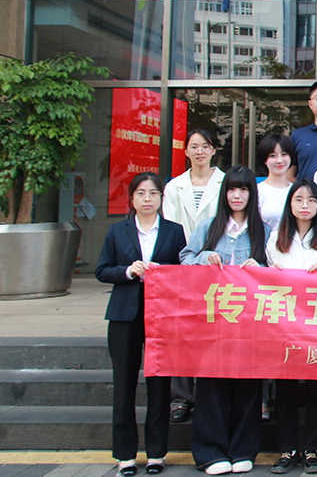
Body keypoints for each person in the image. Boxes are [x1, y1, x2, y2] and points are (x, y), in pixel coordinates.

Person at [181, 165, 270, 475]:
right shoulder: (208, 227)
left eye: (243, 189)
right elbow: (184, 258)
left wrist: (260, 268)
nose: (237, 195)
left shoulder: (263, 230)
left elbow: (277, 270)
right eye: (232, 189)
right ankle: (210, 452)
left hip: (249, 323)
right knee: (211, 385)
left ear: (251, 193)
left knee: (248, 386)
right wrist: (204, 257)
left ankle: (243, 450)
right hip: (213, 321)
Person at [96, 172, 186, 477]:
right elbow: (102, 270)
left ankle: (157, 454)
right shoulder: (117, 231)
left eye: (153, 193)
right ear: (132, 198)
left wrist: (165, 271)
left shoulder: (174, 231)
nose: (147, 199)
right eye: (141, 194)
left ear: (161, 198)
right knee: (123, 386)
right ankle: (125, 456)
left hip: (162, 316)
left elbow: (184, 271)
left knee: (159, 386)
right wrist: (127, 271)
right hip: (124, 315)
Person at [265, 179, 317, 476]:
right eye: (299, 199)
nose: (305, 205)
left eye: (311, 200)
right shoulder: (275, 239)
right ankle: (288, 448)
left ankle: (312, 449)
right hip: (285, 325)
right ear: (289, 204)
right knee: (285, 391)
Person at [161, 128, 225, 424]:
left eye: (205, 146)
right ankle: (181, 398)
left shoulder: (224, 183)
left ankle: (211, 395)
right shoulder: (174, 186)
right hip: (183, 266)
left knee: (213, 332)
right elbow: (171, 226)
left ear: (213, 150)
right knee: (183, 333)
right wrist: (188, 258)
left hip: (216, 267)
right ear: (186, 151)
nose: (200, 151)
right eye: (194, 146)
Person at [256, 133, 295, 232]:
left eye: (284, 154)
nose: (279, 160)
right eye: (273, 156)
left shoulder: (297, 191)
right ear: (264, 160)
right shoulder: (257, 191)